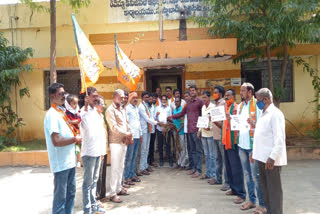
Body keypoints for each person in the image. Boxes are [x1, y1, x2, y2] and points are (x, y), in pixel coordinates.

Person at [44, 83, 82, 214]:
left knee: (70, 194)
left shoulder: (61, 111)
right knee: (61, 197)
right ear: (52, 96)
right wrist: (74, 139)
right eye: (61, 94)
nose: (64, 97)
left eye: (64, 93)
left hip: (70, 161)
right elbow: (56, 140)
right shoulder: (52, 114)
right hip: (61, 164)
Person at [252, 88, 287, 214]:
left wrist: (272, 157)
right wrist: (254, 153)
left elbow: (279, 138)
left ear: (266, 99)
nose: (257, 102)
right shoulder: (264, 113)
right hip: (261, 158)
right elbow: (260, 136)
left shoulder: (275, 114)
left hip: (271, 161)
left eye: (258, 100)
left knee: (274, 192)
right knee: (266, 191)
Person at [237, 82, 265, 212]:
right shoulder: (241, 106)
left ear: (250, 92)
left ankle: (262, 204)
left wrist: (255, 123)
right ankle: (252, 201)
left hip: (253, 145)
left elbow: (264, 125)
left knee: (256, 176)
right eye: (241, 90)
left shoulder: (258, 105)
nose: (241, 92)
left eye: (243, 90)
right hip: (242, 144)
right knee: (247, 175)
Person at [80, 87, 106, 214]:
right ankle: (87, 208)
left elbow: (100, 134)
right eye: (94, 96)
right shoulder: (83, 112)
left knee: (94, 181)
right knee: (87, 183)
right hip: (88, 153)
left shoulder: (96, 113)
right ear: (87, 97)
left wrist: (101, 151)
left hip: (97, 152)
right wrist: (85, 106)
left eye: (97, 96)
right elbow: (86, 129)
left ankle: (94, 205)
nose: (96, 98)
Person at [169, 85, 203, 178]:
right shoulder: (188, 103)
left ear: (197, 91)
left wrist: (200, 128)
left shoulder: (200, 102)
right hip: (189, 130)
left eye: (193, 90)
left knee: (198, 150)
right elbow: (181, 113)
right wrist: (172, 116)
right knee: (192, 150)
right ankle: (194, 168)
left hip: (196, 129)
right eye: (190, 91)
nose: (192, 92)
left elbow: (203, 115)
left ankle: (199, 170)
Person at [105, 89, 132, 203]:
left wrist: (129, 134)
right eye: (121, 97)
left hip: (124, 141)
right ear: (114, 96)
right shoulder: (110, 110)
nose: (123, 99)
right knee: (115, 167)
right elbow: (113, 127)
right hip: (115, 142)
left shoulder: (122, 109)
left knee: (121, 166)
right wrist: (126, 134)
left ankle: (119, 188)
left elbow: (127, 123)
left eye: (123, 97)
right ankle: (112, 193)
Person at [222, 89, 246, 205]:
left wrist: (231, 118)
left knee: (236, 168)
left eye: (229, 95)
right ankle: (233, 188)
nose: (226, 97)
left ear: (234, 97)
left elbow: (239, 122)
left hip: (234, 141)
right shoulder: (226, 108)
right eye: (225, 96)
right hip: (226, 142)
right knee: (229, 167)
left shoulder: (236, 108)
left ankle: (241, 193)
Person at [208, 85, 229, 191]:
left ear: (220, 94)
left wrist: (214, 120)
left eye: (215, 92)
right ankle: (218, 178)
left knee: (225, 160)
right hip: (215, 136)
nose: (214, 94)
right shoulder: (216, 105)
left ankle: (227, 182)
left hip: (222, 136)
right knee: (218, 159)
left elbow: (223, 123)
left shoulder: (223, 104)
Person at [124, 92, 142, 185]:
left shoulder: (136, 108)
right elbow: (127, 123)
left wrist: (141, 134)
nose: (135, 99)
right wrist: (129, 135)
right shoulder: (127, 109)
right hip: (131, 137)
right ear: (130, 99)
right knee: (129, 157)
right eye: (133, 97)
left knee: (134, 157)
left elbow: (138, 123)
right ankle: (126, 177)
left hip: (137, 135)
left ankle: (132, 174)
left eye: (136, 97)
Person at [138, 91, 159, 174]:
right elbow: (147, 118)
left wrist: (156, 120)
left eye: (148, 97)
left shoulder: (147, 106)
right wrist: (157, 123)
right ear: (142, 98)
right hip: (143, 130)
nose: (147, 98)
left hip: (148, 129)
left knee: (146, 149)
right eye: (145, 97)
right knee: (143, 150)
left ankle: (145, 166)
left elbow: (151, 117)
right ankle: (142, 168)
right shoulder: (141, 106)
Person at [197, 91, 216, 180]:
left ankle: (212, 174)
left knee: (212, 155)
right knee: (207, 155)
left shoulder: (213, 107)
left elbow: (215, 120)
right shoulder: (203, 107)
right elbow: (202, 120)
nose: (203, 99)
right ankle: (208, 173)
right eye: (202, 98)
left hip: (211, 134)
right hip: (204, 133)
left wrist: (211, 127)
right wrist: (199, 130)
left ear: (209, 97)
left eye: (205, 97)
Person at [96, 96, 109, 201]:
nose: (103, 106)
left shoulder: (100, 116)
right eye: (101, 104)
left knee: (103, 173)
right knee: (97, 175)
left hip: (104, 148)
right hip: (98, 150)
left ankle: (102, 195)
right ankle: (97, 197)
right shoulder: (94, 117)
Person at [155, 95, 173, 167]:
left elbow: (171, 119)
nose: (164, 101)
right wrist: (157, 119)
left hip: (167, 129)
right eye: (162, 100)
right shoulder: (157, 108)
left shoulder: (169, 108)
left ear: (167, 101)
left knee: (168, 145)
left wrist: (168, 121)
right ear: (161, 101)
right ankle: (161, 159)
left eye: (165, 100)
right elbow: (154, 118)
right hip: (159, 129)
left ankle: (170, 160)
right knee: (160, 145)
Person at [65, 94, 82, 167]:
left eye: (77, 103)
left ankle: (78, 161)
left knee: (77, 146)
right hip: (69, 133)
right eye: (73, 103)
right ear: (68, 104)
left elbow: (79, 120)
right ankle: (72, 161)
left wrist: (71, 122)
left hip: (76, 132)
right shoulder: (66, 112)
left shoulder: (77, 112)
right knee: (71, 148)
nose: (75, 105)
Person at [173, 97, 188, 169]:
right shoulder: (174, 110)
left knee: (182, 148)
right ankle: (179, 162)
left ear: (180, 102)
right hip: (175, 132)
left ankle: (183, 163)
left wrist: (178, 130)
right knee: (178, 147)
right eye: (175, 102)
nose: (176, 103)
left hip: (180, 132)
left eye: (178, 101)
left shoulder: (182, 109)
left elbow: (183, 122)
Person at [148, 92, 158, 168]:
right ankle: (148, 161)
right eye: (150, 99)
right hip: (148, 129)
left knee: (152, 146)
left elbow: (153, 117)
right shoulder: (146, 107)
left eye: (153, 99)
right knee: (147, 146)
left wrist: (156, 116)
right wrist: (157, 122)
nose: (151, 100)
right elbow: (148, 119)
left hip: (153, 129)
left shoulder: (153, 107)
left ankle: (151, 160)